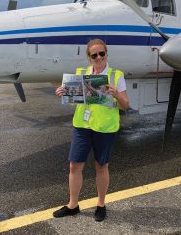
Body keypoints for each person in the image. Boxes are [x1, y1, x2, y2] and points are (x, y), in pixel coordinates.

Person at [53, 38, 129, 222]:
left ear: (106, 54)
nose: (98, 57)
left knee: (101, 167)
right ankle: (73, 205)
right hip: (82, 126)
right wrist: (63, 92)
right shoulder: (81, 74)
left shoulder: (116, 75)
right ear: (89, 57)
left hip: (105, 128)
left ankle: (101, 204)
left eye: (101, 53)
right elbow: (73, 97)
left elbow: (125, 106)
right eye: (94, 55)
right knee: (74, 165)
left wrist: (117, 94)